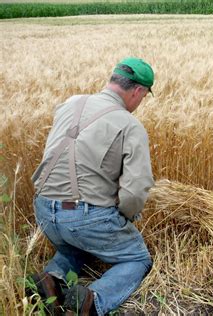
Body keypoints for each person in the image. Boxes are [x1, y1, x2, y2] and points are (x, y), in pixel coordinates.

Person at [30, 57, 155, 315]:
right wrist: (125, 218)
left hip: (43, 210)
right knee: (137, 258)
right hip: (83, 217)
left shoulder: (69, 104)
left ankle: (51, 279)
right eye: (143, 97)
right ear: (138, 91)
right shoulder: (130, 125)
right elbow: (135, 190)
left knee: (80, 243)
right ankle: (91, 301)